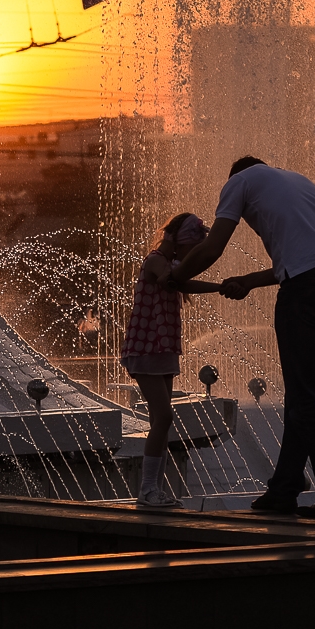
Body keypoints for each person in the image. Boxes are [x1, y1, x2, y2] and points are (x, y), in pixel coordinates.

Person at [163, 156, 315, 519]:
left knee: (304, 397)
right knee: (304, 395)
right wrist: (248, 282)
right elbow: (307, 258)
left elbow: (212, 249)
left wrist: (176, 277)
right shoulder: (299, 181)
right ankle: (284, 488)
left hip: (305, 292)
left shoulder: (239, 181)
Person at [122, 212, 224, 508]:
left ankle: (154, 489)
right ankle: (147, 490)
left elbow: (184, 284)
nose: (190, 256)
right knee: (164, 417)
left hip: (163, 349)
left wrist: (220, 287)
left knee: (161, 421)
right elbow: (170, 279)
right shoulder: (155, 260)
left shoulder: (172, 265)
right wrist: (174, 276)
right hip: (145, 348)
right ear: (179, 243)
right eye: (190, 249)